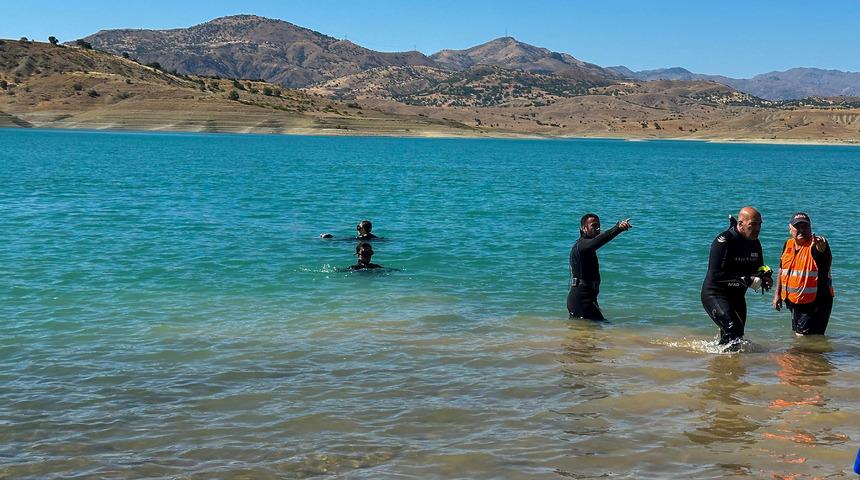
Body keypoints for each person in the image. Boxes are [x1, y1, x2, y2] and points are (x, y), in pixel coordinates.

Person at [701, 206, 772, 347]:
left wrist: (764, 278)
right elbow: (716, 274)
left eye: (760, 224)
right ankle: (722, 361)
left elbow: (757, 269)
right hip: (715, 295)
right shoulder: (724, 241)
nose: (758, 228)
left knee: (737, 336)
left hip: (737, 297)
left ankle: (724, 364)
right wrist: (744, 278)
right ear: (740, 224)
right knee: (733, 330)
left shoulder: (755, 243)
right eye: (753, 224)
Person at [772, 212, 834, 335]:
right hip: (794, 301)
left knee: (805, 338)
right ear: (790, 229)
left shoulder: (815, 245)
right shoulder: (788, 244)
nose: (801, 230)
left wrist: (822, 247)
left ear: (810, 228)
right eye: (797, 226)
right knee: (800, 336)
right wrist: (777, 294)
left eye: (805, 226)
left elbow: (822, 254)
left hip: (816, 301)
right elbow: (781, 269)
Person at [567, 213, 632, 320]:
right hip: (581, 299)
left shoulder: (584, 246)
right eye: (593, 225)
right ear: (584, 228)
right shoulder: (583, 245)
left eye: (598, 226)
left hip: (584, 297)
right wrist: (618, 228)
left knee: (587, 332)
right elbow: (600, 240)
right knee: (601, 328)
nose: (597, 228)